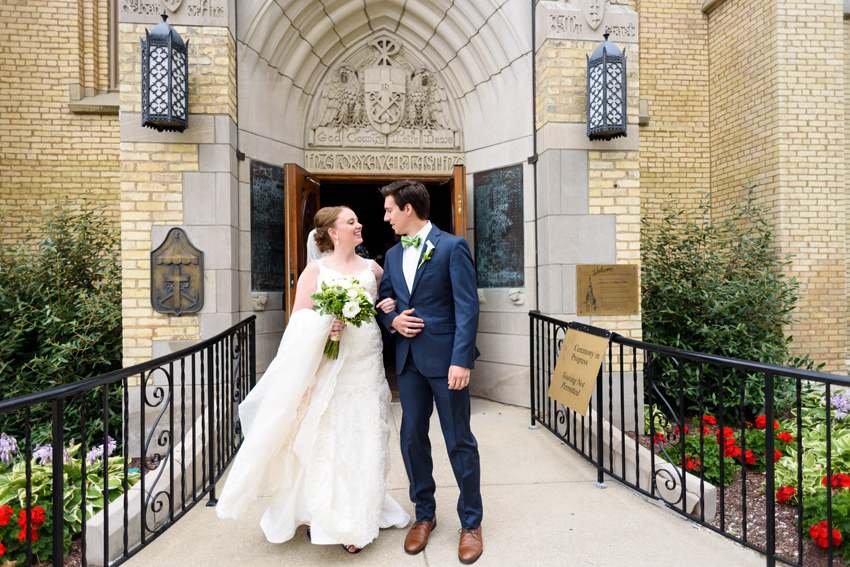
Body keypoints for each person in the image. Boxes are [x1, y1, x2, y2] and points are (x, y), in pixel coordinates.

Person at [216, 206, 410, 554]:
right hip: (332, 364)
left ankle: (360, 511)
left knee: (366, 435)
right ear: (334, 233)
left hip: (367, 364)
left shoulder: (373, 268)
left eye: (356, 220)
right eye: (351, 221)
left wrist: (390, 306)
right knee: (331, 437)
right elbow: (298, 320)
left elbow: (386, 299)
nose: (359, 224)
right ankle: (330, 515)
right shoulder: (316, 270)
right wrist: (327, 324)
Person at [376, 180, 484, 564]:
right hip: (408, 363)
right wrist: (393, 321)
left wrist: (462, 360)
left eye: (390, 210)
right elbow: (384, 300)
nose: (386, 217)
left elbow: (467, 308)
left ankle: (471, 522)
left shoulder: (452, 247)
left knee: (459, 441)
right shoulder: (391, 255)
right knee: (411, 439)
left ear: (408, 209)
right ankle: (425, 514)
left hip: (447, 362)